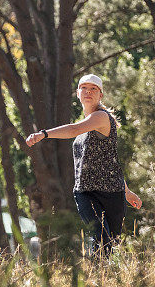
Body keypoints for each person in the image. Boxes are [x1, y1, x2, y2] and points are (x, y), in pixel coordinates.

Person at [26, 74, 142, 257]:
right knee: (101, 237)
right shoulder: (85, 126)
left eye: (93, 89)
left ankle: (107, 280)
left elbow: (110, 159)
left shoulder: (101, 118)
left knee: (112, 244)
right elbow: (77, 131)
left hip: (112, 193)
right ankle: (96, 277)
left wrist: (126, 191)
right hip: (86, 193)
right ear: (78, 93)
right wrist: (44, 135)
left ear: (100, 95)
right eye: (84, 88)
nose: (88, 92)